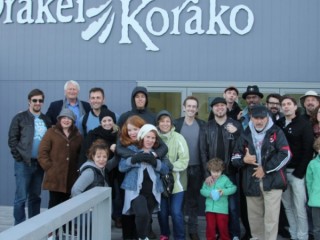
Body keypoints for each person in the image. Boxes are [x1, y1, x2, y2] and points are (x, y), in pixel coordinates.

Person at [232, 105, 291, 240]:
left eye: (262, 118)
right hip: (251, 181)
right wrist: (244, 160)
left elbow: (286, 154)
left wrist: (265, 169)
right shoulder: (245, 133)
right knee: (254, 220)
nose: (259, 121)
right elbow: (235, 157)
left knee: (271, 219)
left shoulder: (276, 131)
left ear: (267, 117)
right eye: (255, 118)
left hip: (272, 181)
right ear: (251, 118)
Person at [116, 115, 168, 240]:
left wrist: (155, 162)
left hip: (152, 191)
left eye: (152, 138)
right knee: (142, 213)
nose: (150, 140)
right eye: (147, 137)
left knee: (146, 218)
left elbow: (166, 169)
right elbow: (121, 167)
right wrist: (133, 160)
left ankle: (143, 236)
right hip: (134, 190)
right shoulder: (130, 149)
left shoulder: (156, 152)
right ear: (142, 136)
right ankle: (141, 237)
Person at [200, 97, 242, 240]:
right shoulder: (206, 127)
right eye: (216, 106)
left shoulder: (235, 125)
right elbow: (202, 151)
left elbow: (243, 145)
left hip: (230, 172)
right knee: (214, 206)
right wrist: (206, 173)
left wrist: (236, 133)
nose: (219, 108)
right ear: (213, 109)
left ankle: (234, 234)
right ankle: (217, 233)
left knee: (232, 207)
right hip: (212, 174)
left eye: (222, 105)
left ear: (226, 107)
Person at [8, 89, 52, 225]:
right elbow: (12, 139)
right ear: (29, 101)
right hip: (23, 163)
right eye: (35, 100)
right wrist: (19, 157)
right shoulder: (20, 118)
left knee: (35, 197)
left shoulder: (46, 119)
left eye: (40, 100)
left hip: (39, 164)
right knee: (21, 197)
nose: (37, 103)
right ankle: (19, 226)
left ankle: (33, 225)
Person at [276, 95, 314, 240]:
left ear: (295, 106)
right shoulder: (279, 123)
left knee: (300, 208)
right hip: (282, 172)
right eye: (283, 104)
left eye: (288, 104)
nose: (285, 106)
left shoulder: (303, 124)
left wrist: (300, 172)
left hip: (297, 172)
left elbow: (308, 150)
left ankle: (302, 236)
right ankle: (293, 234)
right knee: (288, 206)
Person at [174, 96, 206, 240]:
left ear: (197, 109)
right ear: (184, 107)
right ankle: (179, 229)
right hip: (179, 169)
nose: (191, 108)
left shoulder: (202, 124)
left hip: (196, 168)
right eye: (189, 106)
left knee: (193, 201)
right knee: (179, 201)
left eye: (194, 106)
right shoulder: (176, 124)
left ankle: (193, 230)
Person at [38, 108, 83, 209]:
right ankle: (53, 225)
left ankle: (67, 225)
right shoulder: (51, 132)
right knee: (54, 203)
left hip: (71, 176)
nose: (66, 120)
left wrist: (78, 169)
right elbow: (42, 152)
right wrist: (49, 168)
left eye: (69, 118)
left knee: (68, 204)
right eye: (64, 118)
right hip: (55, 176)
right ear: (59, 119)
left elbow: (80, 154)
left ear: (73, 121)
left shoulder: (78, 135)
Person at [156, 110, 189, 240]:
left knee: (176, 212)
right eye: (162, 121)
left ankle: (180, 237)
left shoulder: (178, 138)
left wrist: (170, 167)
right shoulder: (154, 137)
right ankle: (165, 234)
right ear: (158, 123)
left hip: (177, 183)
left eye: (167, 121)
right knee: (162, 212)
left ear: (171, 123)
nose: (165, 124)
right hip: (160, 183)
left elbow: (184, 160)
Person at [200, 158, 237, 240]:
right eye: (213, 171)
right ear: (209, 170)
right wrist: (209, 194)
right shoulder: (208, 180)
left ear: (222, 170)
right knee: (210, 227)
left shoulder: (225, 179)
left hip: (222, 209)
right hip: (210, 209)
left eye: (218, 171)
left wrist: (223, 192)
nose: (216, 174)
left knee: (223, 227)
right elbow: (202, 190)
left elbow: (233, 188)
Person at [306, 137, 320, 240]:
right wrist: (312, 195)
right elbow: (309, 182)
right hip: (316, 201)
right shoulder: (312, 164)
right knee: (317, 227)